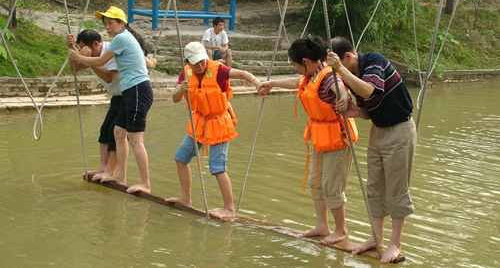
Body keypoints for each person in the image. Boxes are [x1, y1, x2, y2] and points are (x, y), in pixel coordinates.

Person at [259, 37, 359, 245]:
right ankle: (322, 225)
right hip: (320, 137)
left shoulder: (328, 75)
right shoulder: (311, 74)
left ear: (305, 61)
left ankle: (341, 230)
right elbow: (296, 83)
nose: (296, 70)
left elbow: (339, 85)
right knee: (316, 183)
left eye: (296, 65)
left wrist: (343, 98)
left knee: (332, 186)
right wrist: (271, 83)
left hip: (338, 139)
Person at [327, 36, 417, 263]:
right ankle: (375, 238)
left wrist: (340, 70)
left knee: (396, 188)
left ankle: (395, 243)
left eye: (340, 65)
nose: (339, 72)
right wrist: (356, 111)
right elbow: (368, 107)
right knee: (374, 186)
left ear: (348, 56)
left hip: (399, 130)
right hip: (378, 132)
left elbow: (368, 90)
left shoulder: (374, 61)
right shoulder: (350, 75)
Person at [165, 41, 261, 219]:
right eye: (196, 63)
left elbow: (242, 73)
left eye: (202, 61)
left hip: (219, 123)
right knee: (180, 158)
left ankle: (229, 209)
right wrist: (182, 90)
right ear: (188, 62)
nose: (201, 65)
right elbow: (175, 98)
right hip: (199, 123)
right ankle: (186, 198)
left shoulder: (218, 69)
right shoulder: (185, 73)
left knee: (217, 167)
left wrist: (256, 83)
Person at [68, 6, 155, 194]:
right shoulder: (122, 39)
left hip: (138, 89)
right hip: (130, 91)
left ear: (121, 23)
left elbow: (99, 62)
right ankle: (120, 176)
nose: (107, 27)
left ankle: (145, 183)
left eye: (111, 23)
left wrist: (78, 56)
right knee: (117, 132)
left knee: (135, 139)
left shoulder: (122, 38)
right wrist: (74, 53)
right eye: (105, 24)